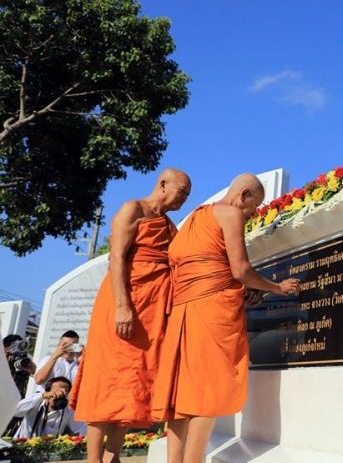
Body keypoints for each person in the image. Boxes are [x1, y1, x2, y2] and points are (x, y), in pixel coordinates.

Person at [151, 173, 299, 463]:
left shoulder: (194, 219)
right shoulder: (230, 214)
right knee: (209, 390)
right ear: (243, 194)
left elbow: (200, 267)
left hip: (183, 314)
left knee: (182, 395)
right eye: (253, 207)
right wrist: (277, 287)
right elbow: (240, 270)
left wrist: (238, 289)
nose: (251, 214)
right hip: (212, 312)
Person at [69, 168, 192, 463]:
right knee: (106, 378)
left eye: (187, 195)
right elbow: (117, 258)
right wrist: (123, 307)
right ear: (163, 184)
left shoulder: (168, 226)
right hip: (121, 303)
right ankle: (93, 459)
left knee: (131, 380)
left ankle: (114, 455)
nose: (184, 200)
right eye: (182, 192)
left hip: (150, 311)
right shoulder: (132, 209)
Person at [13, 377, 85, 439]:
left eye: (66, 391)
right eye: (57, 391)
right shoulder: (35, 401)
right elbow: (15, 411)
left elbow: (83, 428)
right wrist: (43, 396)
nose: (61, 394)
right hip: (22, 446)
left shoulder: (68, 412)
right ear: (47, 392)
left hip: (47, 452)